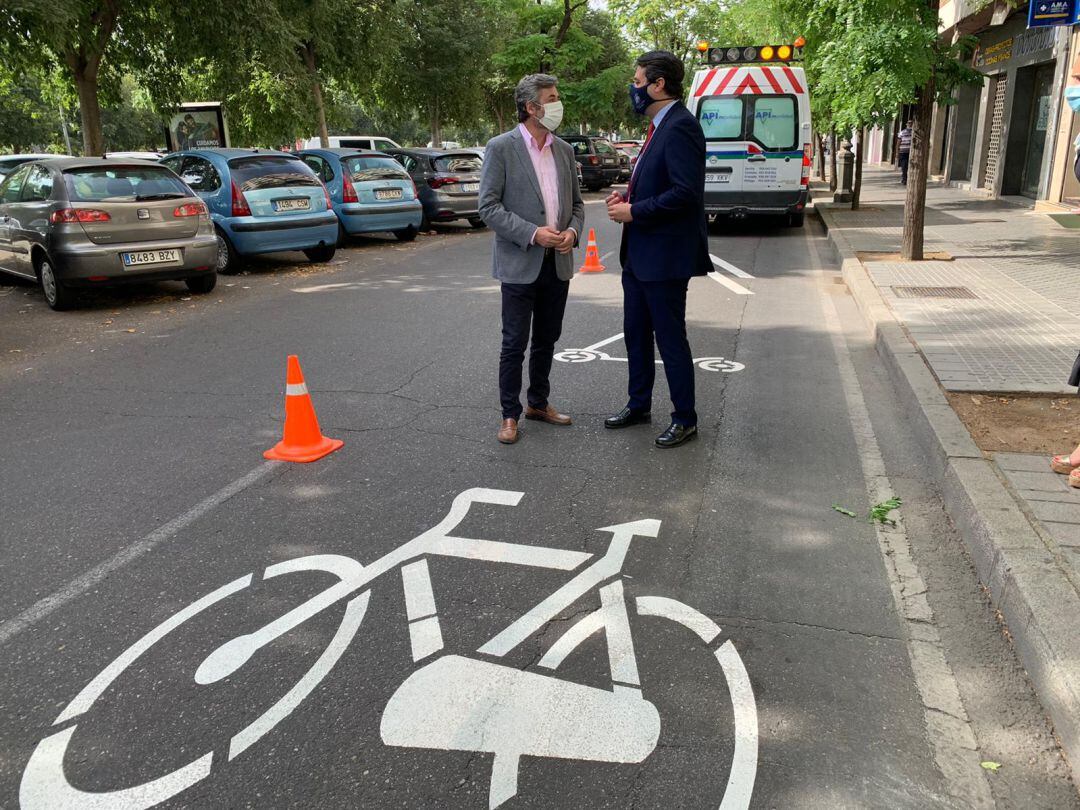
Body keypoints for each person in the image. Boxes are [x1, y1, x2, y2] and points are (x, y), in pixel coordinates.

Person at [605, 50, 710, 449]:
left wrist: (635, 211)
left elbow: (686, 193)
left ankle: (685, 417)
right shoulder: (655, 128)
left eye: (637, 82)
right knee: (635, 334)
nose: (633, 89)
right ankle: (639, 404)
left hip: (665, 258)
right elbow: (657, 182)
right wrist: (627, 195)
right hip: (639, 255)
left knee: (669, 339)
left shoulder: (681, 126)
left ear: (658, 84)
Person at [479, 74, 584, 445]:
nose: (558, 104)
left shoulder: (564, 151)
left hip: (557, 263)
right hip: (520, 262)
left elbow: (578, 206)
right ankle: (510, 414)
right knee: (514, 343)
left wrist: (571, 233)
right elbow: (488, 207)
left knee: (547, 339)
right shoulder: (500, 148)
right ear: (531, 107)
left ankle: (538, 402)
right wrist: (532, 233)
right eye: (552, 98)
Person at [897, 121, 913, 185]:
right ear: (907, 124)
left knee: (911, 166)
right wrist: (897, 152)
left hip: (911, 152)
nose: (910, 124)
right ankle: (904, 179)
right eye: (909, 123)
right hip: (903, 152)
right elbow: (898, 142)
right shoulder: (902, 132)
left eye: (911, 123)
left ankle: (909, 179)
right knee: (904, 166)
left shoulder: (914, 132)